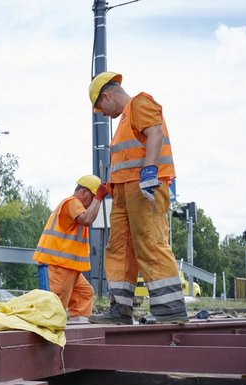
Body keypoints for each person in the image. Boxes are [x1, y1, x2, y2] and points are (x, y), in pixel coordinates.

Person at [87, 71, 188, 324]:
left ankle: (170, 310)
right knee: (119, 249)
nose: (103, 114)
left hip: (143, 187)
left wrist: (150, 172)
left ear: (108, 96)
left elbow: (155, 133)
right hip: (123, 192)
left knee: (150, 242)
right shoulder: (123, 121)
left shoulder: (139, 103)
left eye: (101, 107)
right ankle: (120, 310)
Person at [33, 175, 107, 323]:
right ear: (85, 191)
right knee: (54, 305)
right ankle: (47, 336)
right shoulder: (72, 202)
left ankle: (77, 326)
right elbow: (87, 219)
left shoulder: (76, 207)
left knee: (84, 293)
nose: (93, 202)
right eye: (92, 197)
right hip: (58, 266)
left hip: (68, 267)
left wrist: (98, 197)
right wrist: (99, 197)